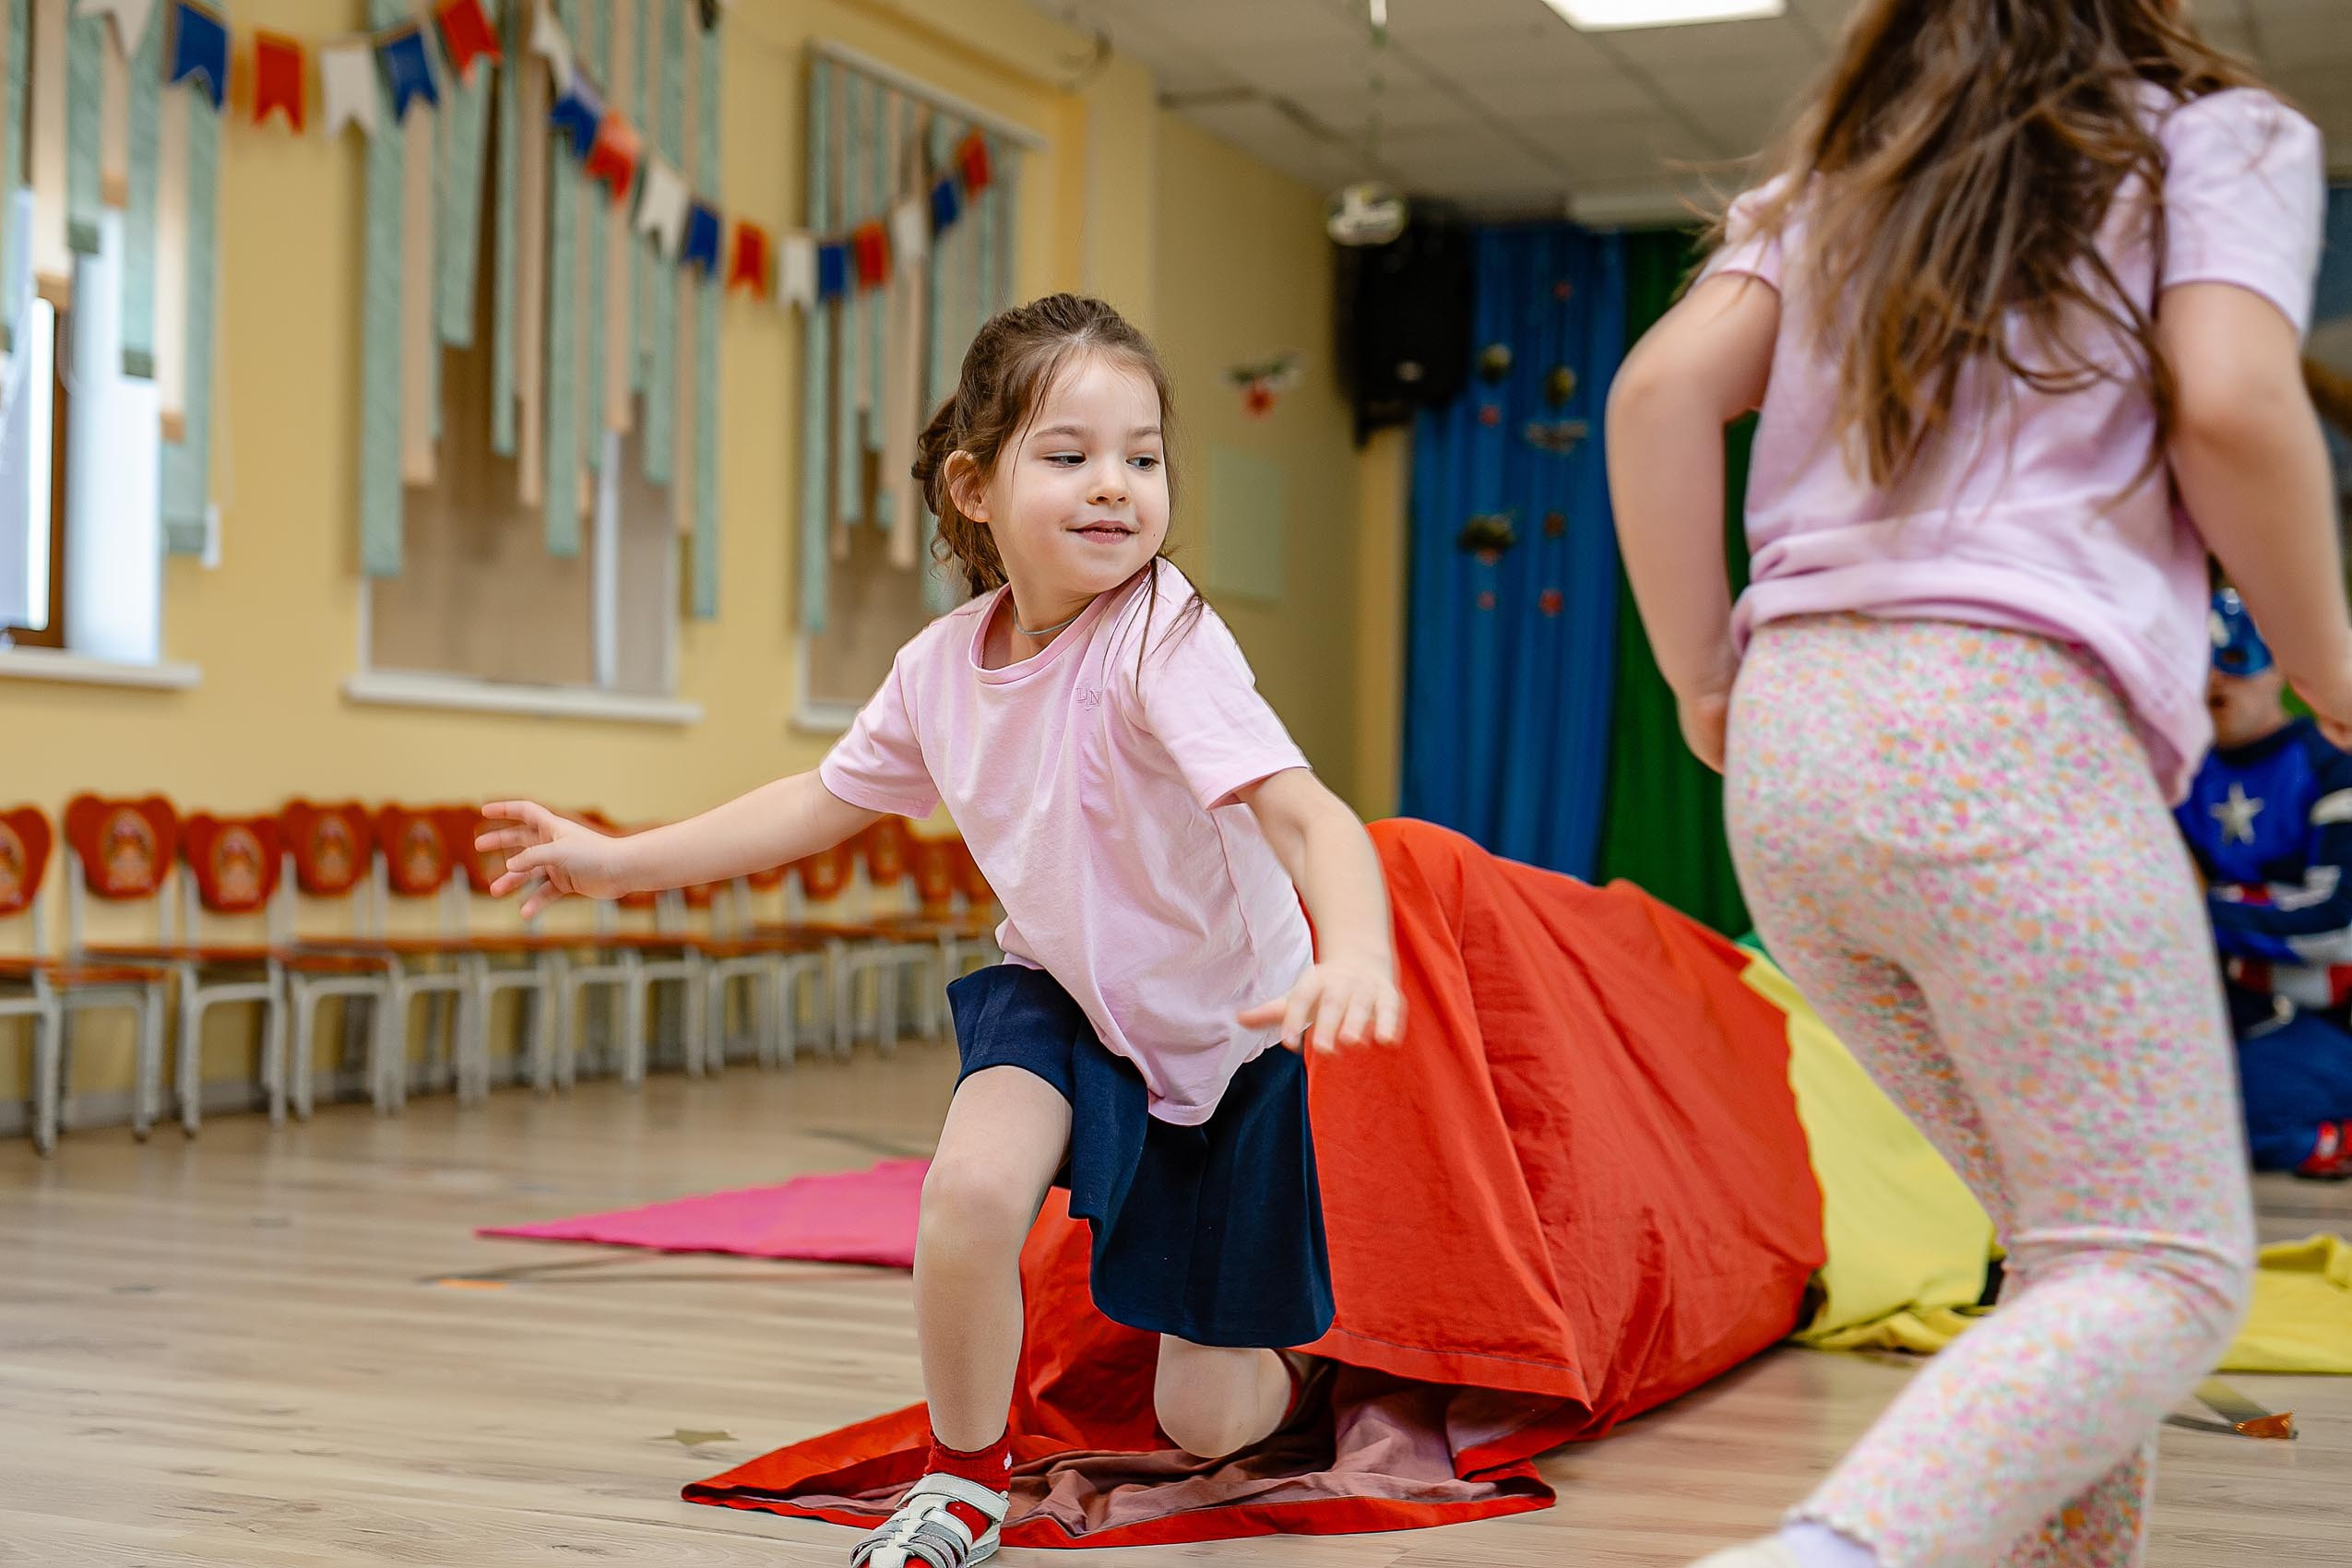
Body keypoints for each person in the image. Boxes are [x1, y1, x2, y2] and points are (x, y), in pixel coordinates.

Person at [478, 293, 1404, 1568]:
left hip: (1223, 1039)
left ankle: (1289, 1362)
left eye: (1143, 458)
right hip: (1067, 994)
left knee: (1201, 1417)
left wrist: (1352, 948)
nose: (1115, 488)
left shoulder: (1167, 639)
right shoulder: (939, 665)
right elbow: (815, 802)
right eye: (1068, 454)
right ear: (974, 486)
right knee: (967, 1187)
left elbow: (1303, 814)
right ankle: (963, 1482)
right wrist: (613, 863)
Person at [1603, 1, 2334, 1564]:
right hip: (2003, 732)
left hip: (1793, 751)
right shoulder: (2217, 139)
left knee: (2070, 1258)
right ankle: (1833, 1551)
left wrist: (1700, 678)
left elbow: (1658, 399)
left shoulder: (1836, 183)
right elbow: (2229, 400)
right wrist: (2333, 668)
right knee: (2167, 1266)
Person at [2176, 588, 2352, 1180]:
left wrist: (2201, 911)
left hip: (2329, 1018)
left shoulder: (2333, 758)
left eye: (2234, 654)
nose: (2212, 676)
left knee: (2250, 1119)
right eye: (2191, 655)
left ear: (2279, 662)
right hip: (2225, 1012)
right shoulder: (2180, 771)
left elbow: (2338, 923)